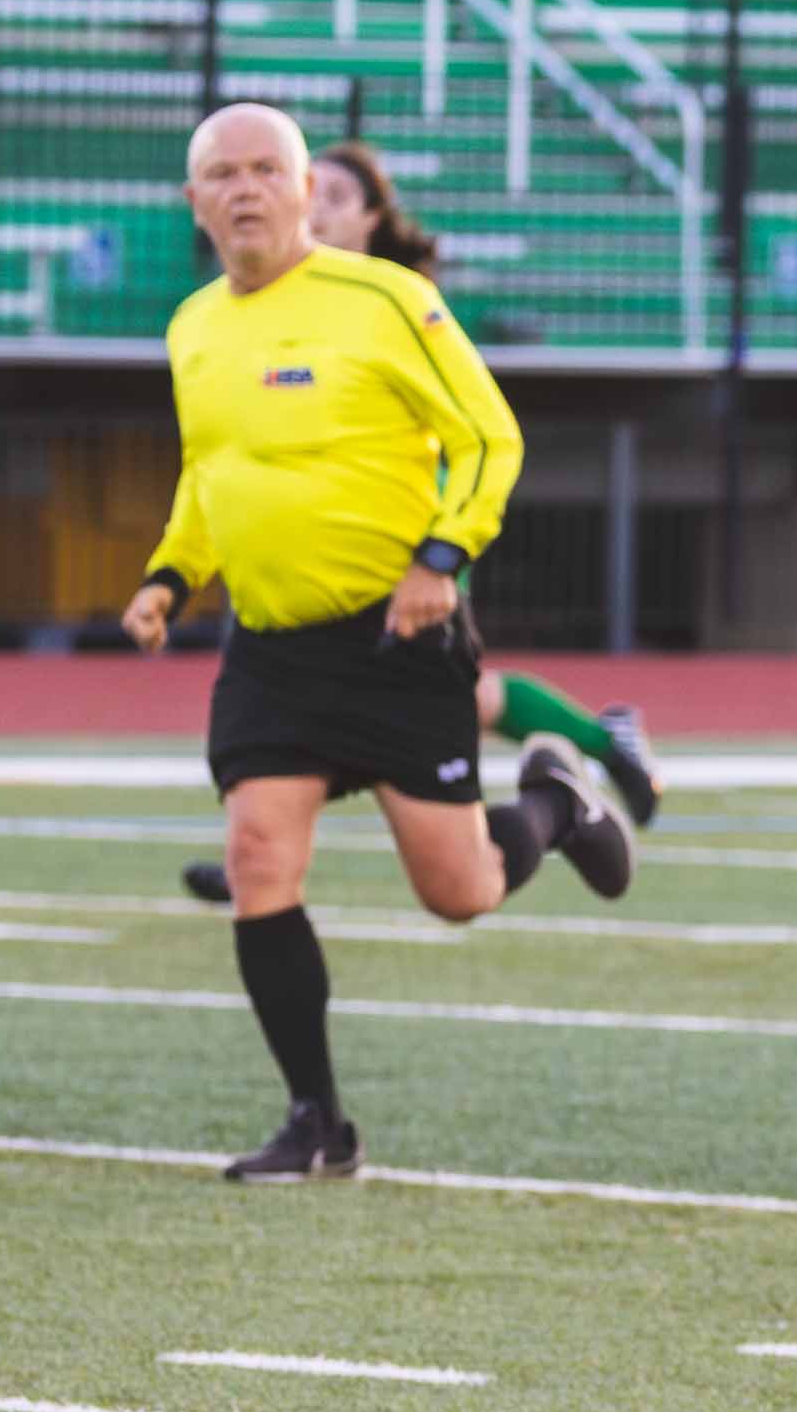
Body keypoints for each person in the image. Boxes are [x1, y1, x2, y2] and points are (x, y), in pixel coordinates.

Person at [124, 102, 638, 1182]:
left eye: (269, 168)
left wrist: (440, 560)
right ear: (194, 203)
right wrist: (171, 576)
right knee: (258, 856)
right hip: (269, 649)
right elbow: (210, 476)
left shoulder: (387, 299)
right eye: (223, 173)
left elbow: (487, 436)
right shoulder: (192, 327)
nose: (247, 188)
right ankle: (317, 1123)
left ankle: (556, 798)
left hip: (397, 641)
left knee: (457, 892)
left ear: (307, 190)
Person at [177, 137, 657, 907]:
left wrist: (436, 547)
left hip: (409, 530)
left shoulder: (388, 297)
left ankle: (591, 758)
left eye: (335, 196)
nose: (310, 206)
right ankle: (258, 855)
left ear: (370, 218)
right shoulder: (257, 297)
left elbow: (471, 428)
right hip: (304, 552)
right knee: (306, 695)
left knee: (413, 695)